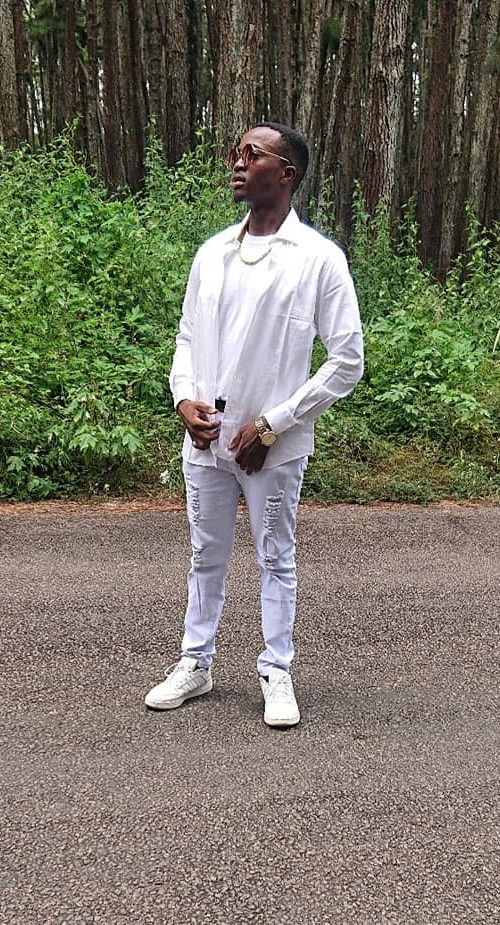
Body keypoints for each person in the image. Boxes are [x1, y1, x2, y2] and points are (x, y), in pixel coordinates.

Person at [145, 122, 364, 727]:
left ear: (286, 173)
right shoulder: (213, 252)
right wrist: (184, 400)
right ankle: (196, 662)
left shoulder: (318, 259)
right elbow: (188, 338)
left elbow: (347, 360)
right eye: (235, 153)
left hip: (273, 447)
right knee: (205, 554)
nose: (237, 163)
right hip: (207, 441)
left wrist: (274, 424)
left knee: (275, 557)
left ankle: (276, 671)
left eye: (252, 154)